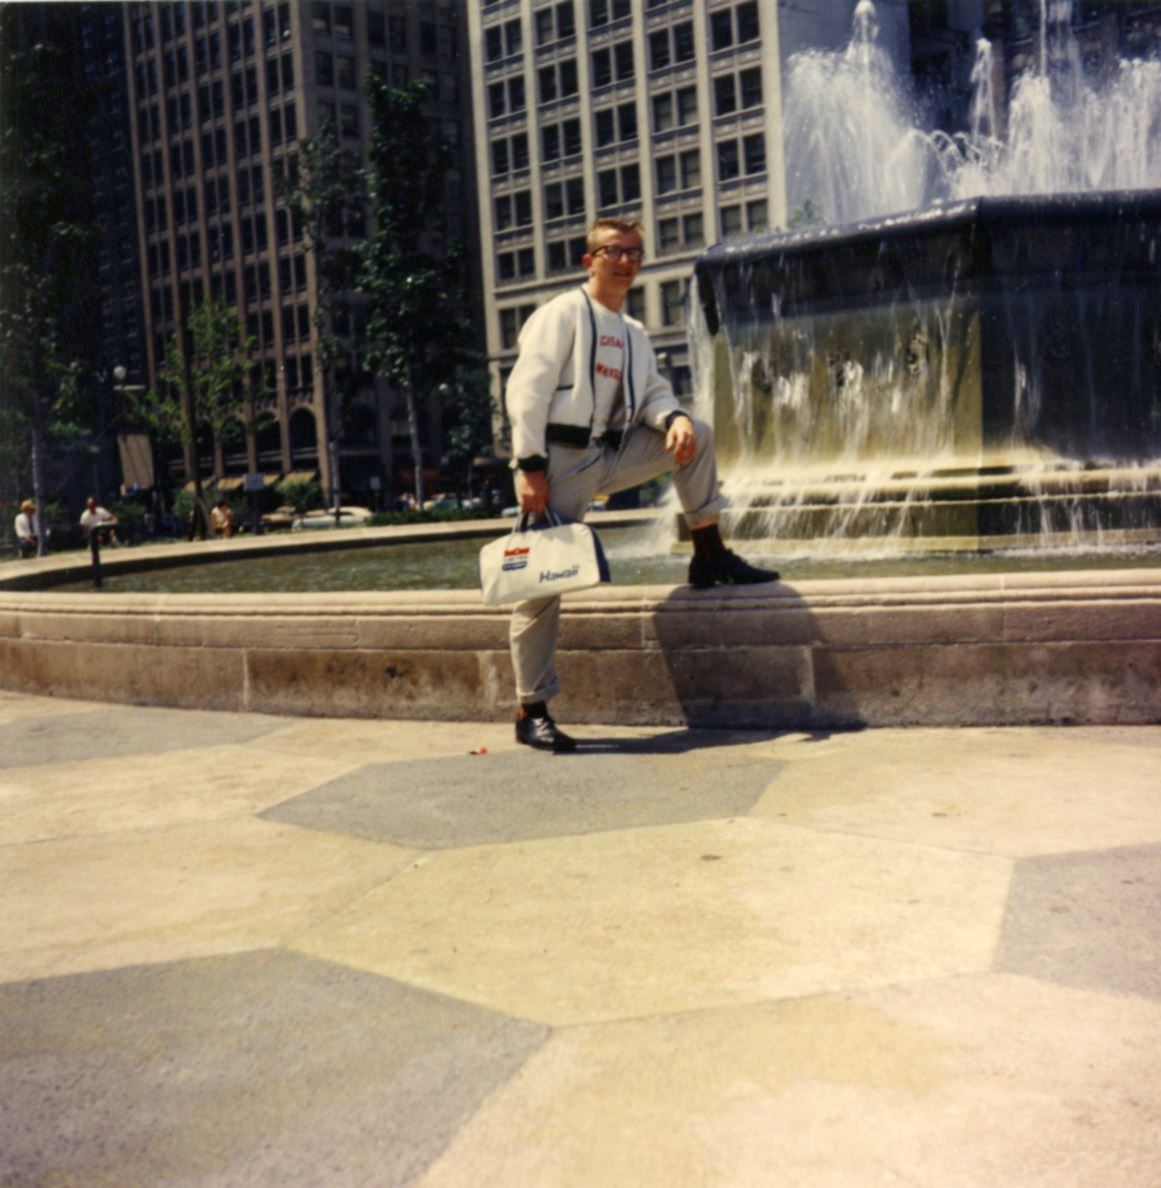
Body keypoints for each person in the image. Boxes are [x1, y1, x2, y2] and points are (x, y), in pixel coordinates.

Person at [505, 215, 779, 752]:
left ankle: (709, 553)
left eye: (634, 253)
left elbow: (652, 393)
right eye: (614, 252)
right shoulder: (562, 314)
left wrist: (672, 418)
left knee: (695, 434)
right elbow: (527, 392)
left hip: (609, 454)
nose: (626, 261)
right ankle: (530, 709)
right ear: (590, 261)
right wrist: (528, 466)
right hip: (558, 461)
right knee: (539, 585)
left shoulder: (632, 332)